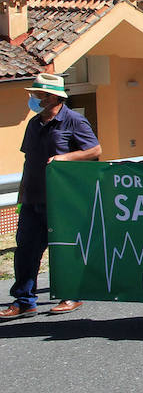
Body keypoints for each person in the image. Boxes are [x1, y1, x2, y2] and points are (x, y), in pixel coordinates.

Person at [1, 73, 101, 321]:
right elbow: (29, 159)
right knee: (25, 250)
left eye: (38, 94)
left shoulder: (75, 121)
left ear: (53, 96)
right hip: (33, 197)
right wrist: (23, 192)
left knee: (63, 249)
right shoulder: (34, 123)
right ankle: (24, 301)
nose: (34, 98)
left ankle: (72, 294)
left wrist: (65, 158)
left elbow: (95, 150)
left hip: (63, 199)